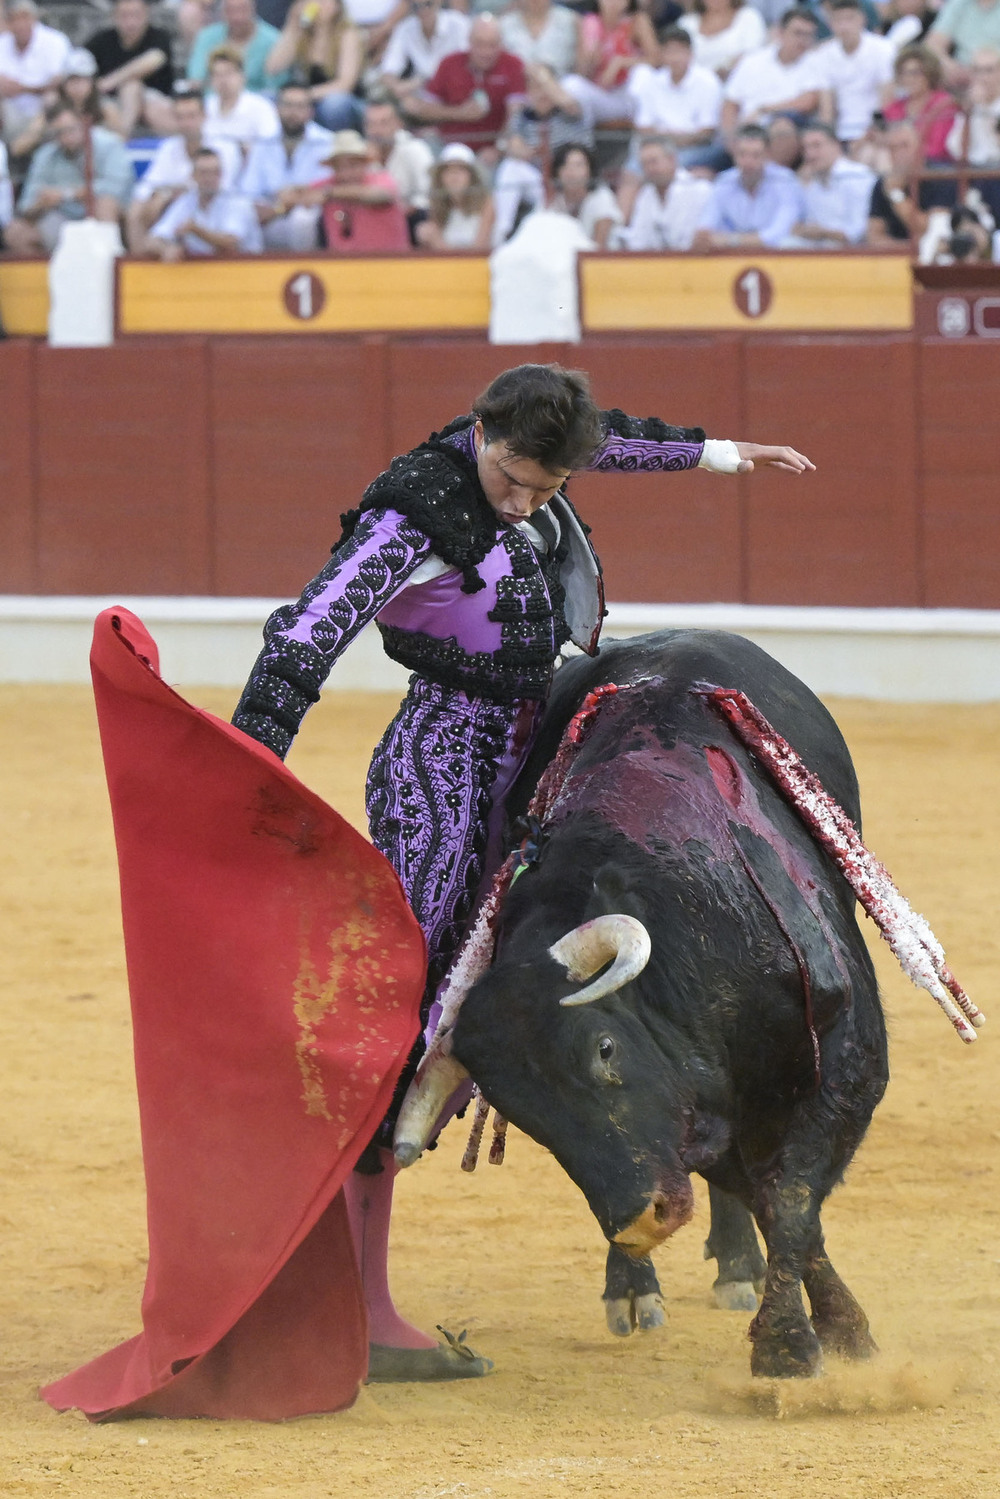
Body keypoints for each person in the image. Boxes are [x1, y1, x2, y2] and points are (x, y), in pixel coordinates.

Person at [230, 362, 814, 1382]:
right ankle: (351, 1300)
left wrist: (719, 453)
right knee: (409, 1013)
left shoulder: (533, 460)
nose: (528, 502)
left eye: (547, 490)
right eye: (515, 481)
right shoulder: (415, 510)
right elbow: (308, 630)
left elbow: (612, 438)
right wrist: (245, 763)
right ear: (481, 430)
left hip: (538, 761)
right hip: (444, 769)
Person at [126, 86, 243, 253]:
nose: (186, 124)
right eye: (180, 117)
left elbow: (221, 186)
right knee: (137, 210)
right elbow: (147, 186)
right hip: (179, 207)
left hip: (216, 208)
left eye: (191, 116)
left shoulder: (226, 148)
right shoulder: (169, 148)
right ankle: (137, 265)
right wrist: (161, 197)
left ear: (204, 116)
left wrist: (174, 192)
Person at [5, 103, 133, 254]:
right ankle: (49, 274)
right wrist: (41, 204)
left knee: (106, 204)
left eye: (71, 130)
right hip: (61, 217)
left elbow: (115, 187)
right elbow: (27, 204)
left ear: (84, 125)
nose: (66, 137)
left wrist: (66, 194)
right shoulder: (46, 154)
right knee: (15, 231)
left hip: (105, 215)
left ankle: (112, 266)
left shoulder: (109, 144)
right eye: (59, 133)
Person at [408, 16, 527, 155]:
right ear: (469, 42)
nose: (486, 51)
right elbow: (425, 110)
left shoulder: (513, 64)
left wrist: (498, 149)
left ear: (501, 43)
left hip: (491, 148)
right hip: (448, 144)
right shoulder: (449, 63)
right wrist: (460, 113)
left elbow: (516, 115)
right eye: (480, 44)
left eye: (492, 45)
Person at [241, 80, 333, 247]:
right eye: (288, 105)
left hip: (309, 215)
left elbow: (319, 192)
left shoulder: (326, 142)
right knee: (244, 214)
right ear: (277, 108)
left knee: (303, 218)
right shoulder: (263, 143)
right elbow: (249, 189)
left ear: (310, 111)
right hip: (270, 214)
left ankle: (305, 270)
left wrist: (280, 207)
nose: (293, 113)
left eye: (300, 107)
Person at [692, 119, 805, 248]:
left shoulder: (785, 182)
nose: (748, 163)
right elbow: (705, 231)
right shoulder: (724, 182)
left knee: (789, 244)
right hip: (733, 257)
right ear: (734, 154)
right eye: (742, 155)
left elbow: (780, 232)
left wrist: (732, 240)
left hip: (775, 257)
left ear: (767, 155)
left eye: (756, 155)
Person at [721, 8, 823, 138]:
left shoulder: (815, 62)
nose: (803, 40)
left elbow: (808, 102)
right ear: (781, 32)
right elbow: (730, 103)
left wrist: (764, 110)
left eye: (808, 35)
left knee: (782, 127)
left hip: (787, 132)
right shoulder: (752, 61)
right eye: (798, 33)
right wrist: (730, 139)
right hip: (745, 134)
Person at [9, 47, 123, 162]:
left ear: (92, 82)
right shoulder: (53, 109)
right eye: (73, 80)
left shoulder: (105, 109)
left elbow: (122, 144)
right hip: (59, 165)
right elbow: (18, 148)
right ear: (64, 84)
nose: (78, 86)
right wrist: (50, 128)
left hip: (97, 164)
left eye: (83, 80)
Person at [266, 0, 365, 131]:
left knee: (334, 105)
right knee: (266, 98)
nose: (318, 5)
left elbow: (345, 84)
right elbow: (272, 68)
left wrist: (306, 95)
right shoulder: (302, 34)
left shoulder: (347, 34)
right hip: (304, 97)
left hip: (342, 99)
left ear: (337, 6)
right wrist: (293, 26)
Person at [148, 144, 264, 255]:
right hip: (203, 271)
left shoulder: (237, 201)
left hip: (245, 268)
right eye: (204, 173)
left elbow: (230, 243)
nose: (209, 178)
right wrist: (165, 249)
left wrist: (196, 230)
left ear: (221, 174)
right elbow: (152, 239)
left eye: (215, 173)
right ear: (193, 175)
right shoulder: (186, 201)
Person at [85, 0, 176, 138]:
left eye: (136, 15)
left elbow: (155, 59)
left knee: (132, 87)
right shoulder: (101, 41)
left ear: (146, 15)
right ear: (114, 17)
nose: (131, 22)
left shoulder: (159, 36)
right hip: (111, 104)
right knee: (106, 109)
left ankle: (123, 137)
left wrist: (109, 82)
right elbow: (81, 61)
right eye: (124, 15)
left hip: (153, 100)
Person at [560, 0, 659, 125]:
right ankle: (584, 138)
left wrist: (620, 63)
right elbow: (581, 74)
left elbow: (656, 60)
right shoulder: (590, 23)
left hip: (628, 93)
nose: (612, 3)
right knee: (571, 84)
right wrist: (591, 58)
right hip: (602, 95)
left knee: (643, 73)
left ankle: (644, 132)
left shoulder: (637, 21)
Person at [311, 125, 410, 248]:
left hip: (388, 262)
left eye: (353, 165)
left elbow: (382, 195)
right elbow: (300, 194)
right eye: (340, 167)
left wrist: (329, 194)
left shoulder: (381, 178)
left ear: (364, 164)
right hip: (341, 264)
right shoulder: (329, 184)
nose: (346, 173)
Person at [814, 0, 895, 148]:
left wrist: (870, 134)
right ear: (831, 24)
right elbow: (827, 109)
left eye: (850, 18)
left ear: (862, 20)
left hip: (874, 132)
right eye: (838, 20)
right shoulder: (824, 55)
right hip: (840, 134)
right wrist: (828, 141)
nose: (844, 26)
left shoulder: (883, 49)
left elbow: (887, 101)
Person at [866, 115, 955, 241]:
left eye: (905, 146)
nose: (899, 153)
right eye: (893, 148)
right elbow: (873, 236)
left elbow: (931, 231)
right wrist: (902, 251)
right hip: (896, 256)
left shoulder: (941, 177)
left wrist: (896, 194)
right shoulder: (883, 183)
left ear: (921, 147)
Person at [616, 133, 713, 247]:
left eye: (653, 162)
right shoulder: (646, 194)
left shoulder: (700, 190)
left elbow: (699, 239)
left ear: (672, 159)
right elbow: (638, 239)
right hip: (655, 262)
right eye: (644, 164)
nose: (650, 169)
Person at [788, 120, 875, 244]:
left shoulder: (857, 176)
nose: (810, 154)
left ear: (835, 145)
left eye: (816, 146)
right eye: (805, 148)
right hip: (821, 252)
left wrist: (824, 233)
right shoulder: (812, 183)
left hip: (856, 254)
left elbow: (859, 231)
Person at [0, 0, 71, 146]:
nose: (20, 24)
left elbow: (58, 81)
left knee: (52, 98)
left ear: (34, 18)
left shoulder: (55, 41)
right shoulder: (3, 42)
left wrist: (23, 88)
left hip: (43, 106)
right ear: (8, 22)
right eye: (14, 19)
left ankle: (20, 147)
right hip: (9, 108)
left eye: (25, 18)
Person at [378, 0, 471, 108]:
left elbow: (468, 65)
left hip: (454, 92)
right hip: (421, 98)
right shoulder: (405, 28)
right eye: (416, 6)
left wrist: (417, 83)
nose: (423, 10)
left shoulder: (459, 24)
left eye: (428, 4)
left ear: (439, 2)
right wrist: (397, 87)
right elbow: (388, 70)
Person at [187, 0, 284, 94]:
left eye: (242, 10)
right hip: (212, 102)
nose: (237, 17)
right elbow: (196, 80)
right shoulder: (206, 37)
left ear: (253, 9)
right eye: (230, 10)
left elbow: (274, 87)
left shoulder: (274, 40)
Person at [882, 43, 957, 161]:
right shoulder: (894, 107)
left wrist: (909, 143)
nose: (909, 79)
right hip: (894, 163)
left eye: (915, 73)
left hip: (934, 165)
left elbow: (938, 149)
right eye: (904, 73)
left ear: (929, 74)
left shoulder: (943, 104)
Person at [415, 138, 494, 247]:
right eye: (448, 170)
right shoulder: (438, 207)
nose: (454, 175)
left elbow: (479, 252)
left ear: (472, 176)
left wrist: (437, 242)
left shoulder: (487, 204)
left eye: (461, 169)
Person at [203, 47, 282, 151]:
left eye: (228, 73)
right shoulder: (205, 107)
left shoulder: (261, 107)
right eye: (217, 75)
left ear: (242, 76)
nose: (223, 80)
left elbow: (270, 146)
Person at [549, 139, 623, 246]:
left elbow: (599, 248)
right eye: (565, 166)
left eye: (578, 165)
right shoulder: (553, 200)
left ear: (590, 170)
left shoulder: (601, 198)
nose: (571, 172)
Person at [678, 0, 766, 80]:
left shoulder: (748, 17)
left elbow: (753, 54)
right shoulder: (686, 23)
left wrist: (726, 69)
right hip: (695, 87)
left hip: (739, 85)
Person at [499, 0, 579, 79]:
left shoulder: (571, 20)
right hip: (518, 85)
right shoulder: (504, 24)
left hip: (562, 83)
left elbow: (580, 66)